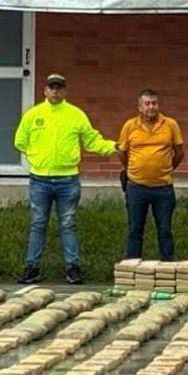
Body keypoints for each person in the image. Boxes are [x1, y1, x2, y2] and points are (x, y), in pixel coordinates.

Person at [14, 73, 117, 285]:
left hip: (67, 179)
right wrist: (36, 158)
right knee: (38, 224)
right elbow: (20, 141)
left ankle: (73, 268)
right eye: (51, 87)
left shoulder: (75, 115)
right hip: (40, 179)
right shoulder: (33, 115)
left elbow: (92, 140)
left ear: (65, 91)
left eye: (59, 88)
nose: (55, 91)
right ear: (45, 90)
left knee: (68, 224)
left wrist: (114, 147)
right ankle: (31, 268)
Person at [117, 88, 185, 261]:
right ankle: (132, 266)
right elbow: (121, 151)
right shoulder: (129, 126)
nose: (151, 107)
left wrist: (167, 168)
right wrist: (131, 168)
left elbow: (179, 152)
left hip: (163, 188)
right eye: (147, 104)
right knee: (135, 230)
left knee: (165, 230)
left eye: (154, 103)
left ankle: (167, 266)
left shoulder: (170, 125)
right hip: (136, 187)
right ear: (139, 107)